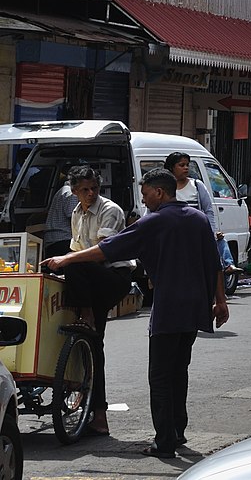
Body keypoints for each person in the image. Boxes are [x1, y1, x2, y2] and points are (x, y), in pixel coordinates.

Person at [45, 168, 228, 459]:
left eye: (145, 195)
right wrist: (221, 301)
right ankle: (177, 431)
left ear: (160, 192)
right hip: (195, 308)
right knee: (179, 371)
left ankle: (164, 442)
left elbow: (107, 249)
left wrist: (67, 258)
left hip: (168, 309)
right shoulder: (199, 219)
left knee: (160, 376)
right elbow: (215, 263)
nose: (144, 202)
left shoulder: (153, 222)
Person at [46, 166, 133, 437]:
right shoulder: (76, 213)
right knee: (94, 346)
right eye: (85, 189)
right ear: (74, 192)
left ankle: (87, 315)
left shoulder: (111, 210)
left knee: (71, 261)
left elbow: (100, 254)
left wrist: (67, 261)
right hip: (90, 278)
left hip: (113, 277)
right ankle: (98, 416)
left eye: (94, 188)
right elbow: (77, 249)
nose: (91, 193)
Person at [165, 152, 237, 277]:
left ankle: (227, 266)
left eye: (187, 165)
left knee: (219, 242)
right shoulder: (165, 188)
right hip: (174, 232)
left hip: (195, 231)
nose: (186, 168)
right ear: (171, 168)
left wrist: (212, 231)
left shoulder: (197, 185)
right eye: (181, 165)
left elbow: (208, 210)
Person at [41, 176, 78, 258]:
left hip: (52, 239)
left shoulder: (62, 190)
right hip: (63, 239)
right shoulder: (72, 194)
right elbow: (74, 218)